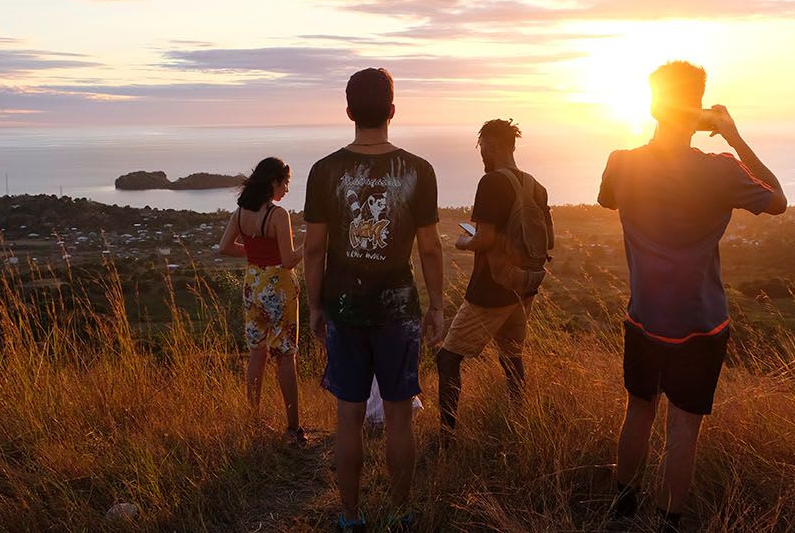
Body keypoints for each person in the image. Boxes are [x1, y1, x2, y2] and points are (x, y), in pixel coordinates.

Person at [598, 61, 787, 531]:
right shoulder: (720, 171)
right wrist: (734, 137)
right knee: (683, 429)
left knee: (638, 411)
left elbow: (607, 200)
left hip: (643, 316)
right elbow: (777, 198)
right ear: (699, 107)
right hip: (700, 325)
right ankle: (666, 524)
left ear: (653, 104)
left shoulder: (621, 162)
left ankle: (622, 511)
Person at [304, 67, 445, 532]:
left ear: (349, 113)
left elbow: (314, 248)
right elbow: (429, 247)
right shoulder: (418, 171)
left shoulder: (324, 171)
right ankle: (402, 513)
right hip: (397, 310)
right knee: (401, 418)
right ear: (391, 110)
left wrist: (315, 306)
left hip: (343, 309)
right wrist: (438, 305)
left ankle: (350, 516)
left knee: (348, 418)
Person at [439, 119, 553, 440]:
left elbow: (485, 238)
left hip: (492, 289)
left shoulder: (490, 183)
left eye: (483, 148)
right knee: (511, 357)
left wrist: (464, 241)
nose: (482, 156)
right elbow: (548, 240)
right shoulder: (536, 186)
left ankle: (446, 437)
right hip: (524, 286)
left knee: (448, 358)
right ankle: (519, 421)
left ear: (494, 146)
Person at [218, 157, 305, 444]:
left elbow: (224, 247)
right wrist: (314, 243)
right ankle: (293, 428)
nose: (287, 190)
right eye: (285, 183)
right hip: (278, 287)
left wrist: (255, 255)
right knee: (285, 357)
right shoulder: (278, 215)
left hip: (252, 285)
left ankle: (253, 420)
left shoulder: (241, 212)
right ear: (273, 182)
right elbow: (289, 260)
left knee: (257, 353)